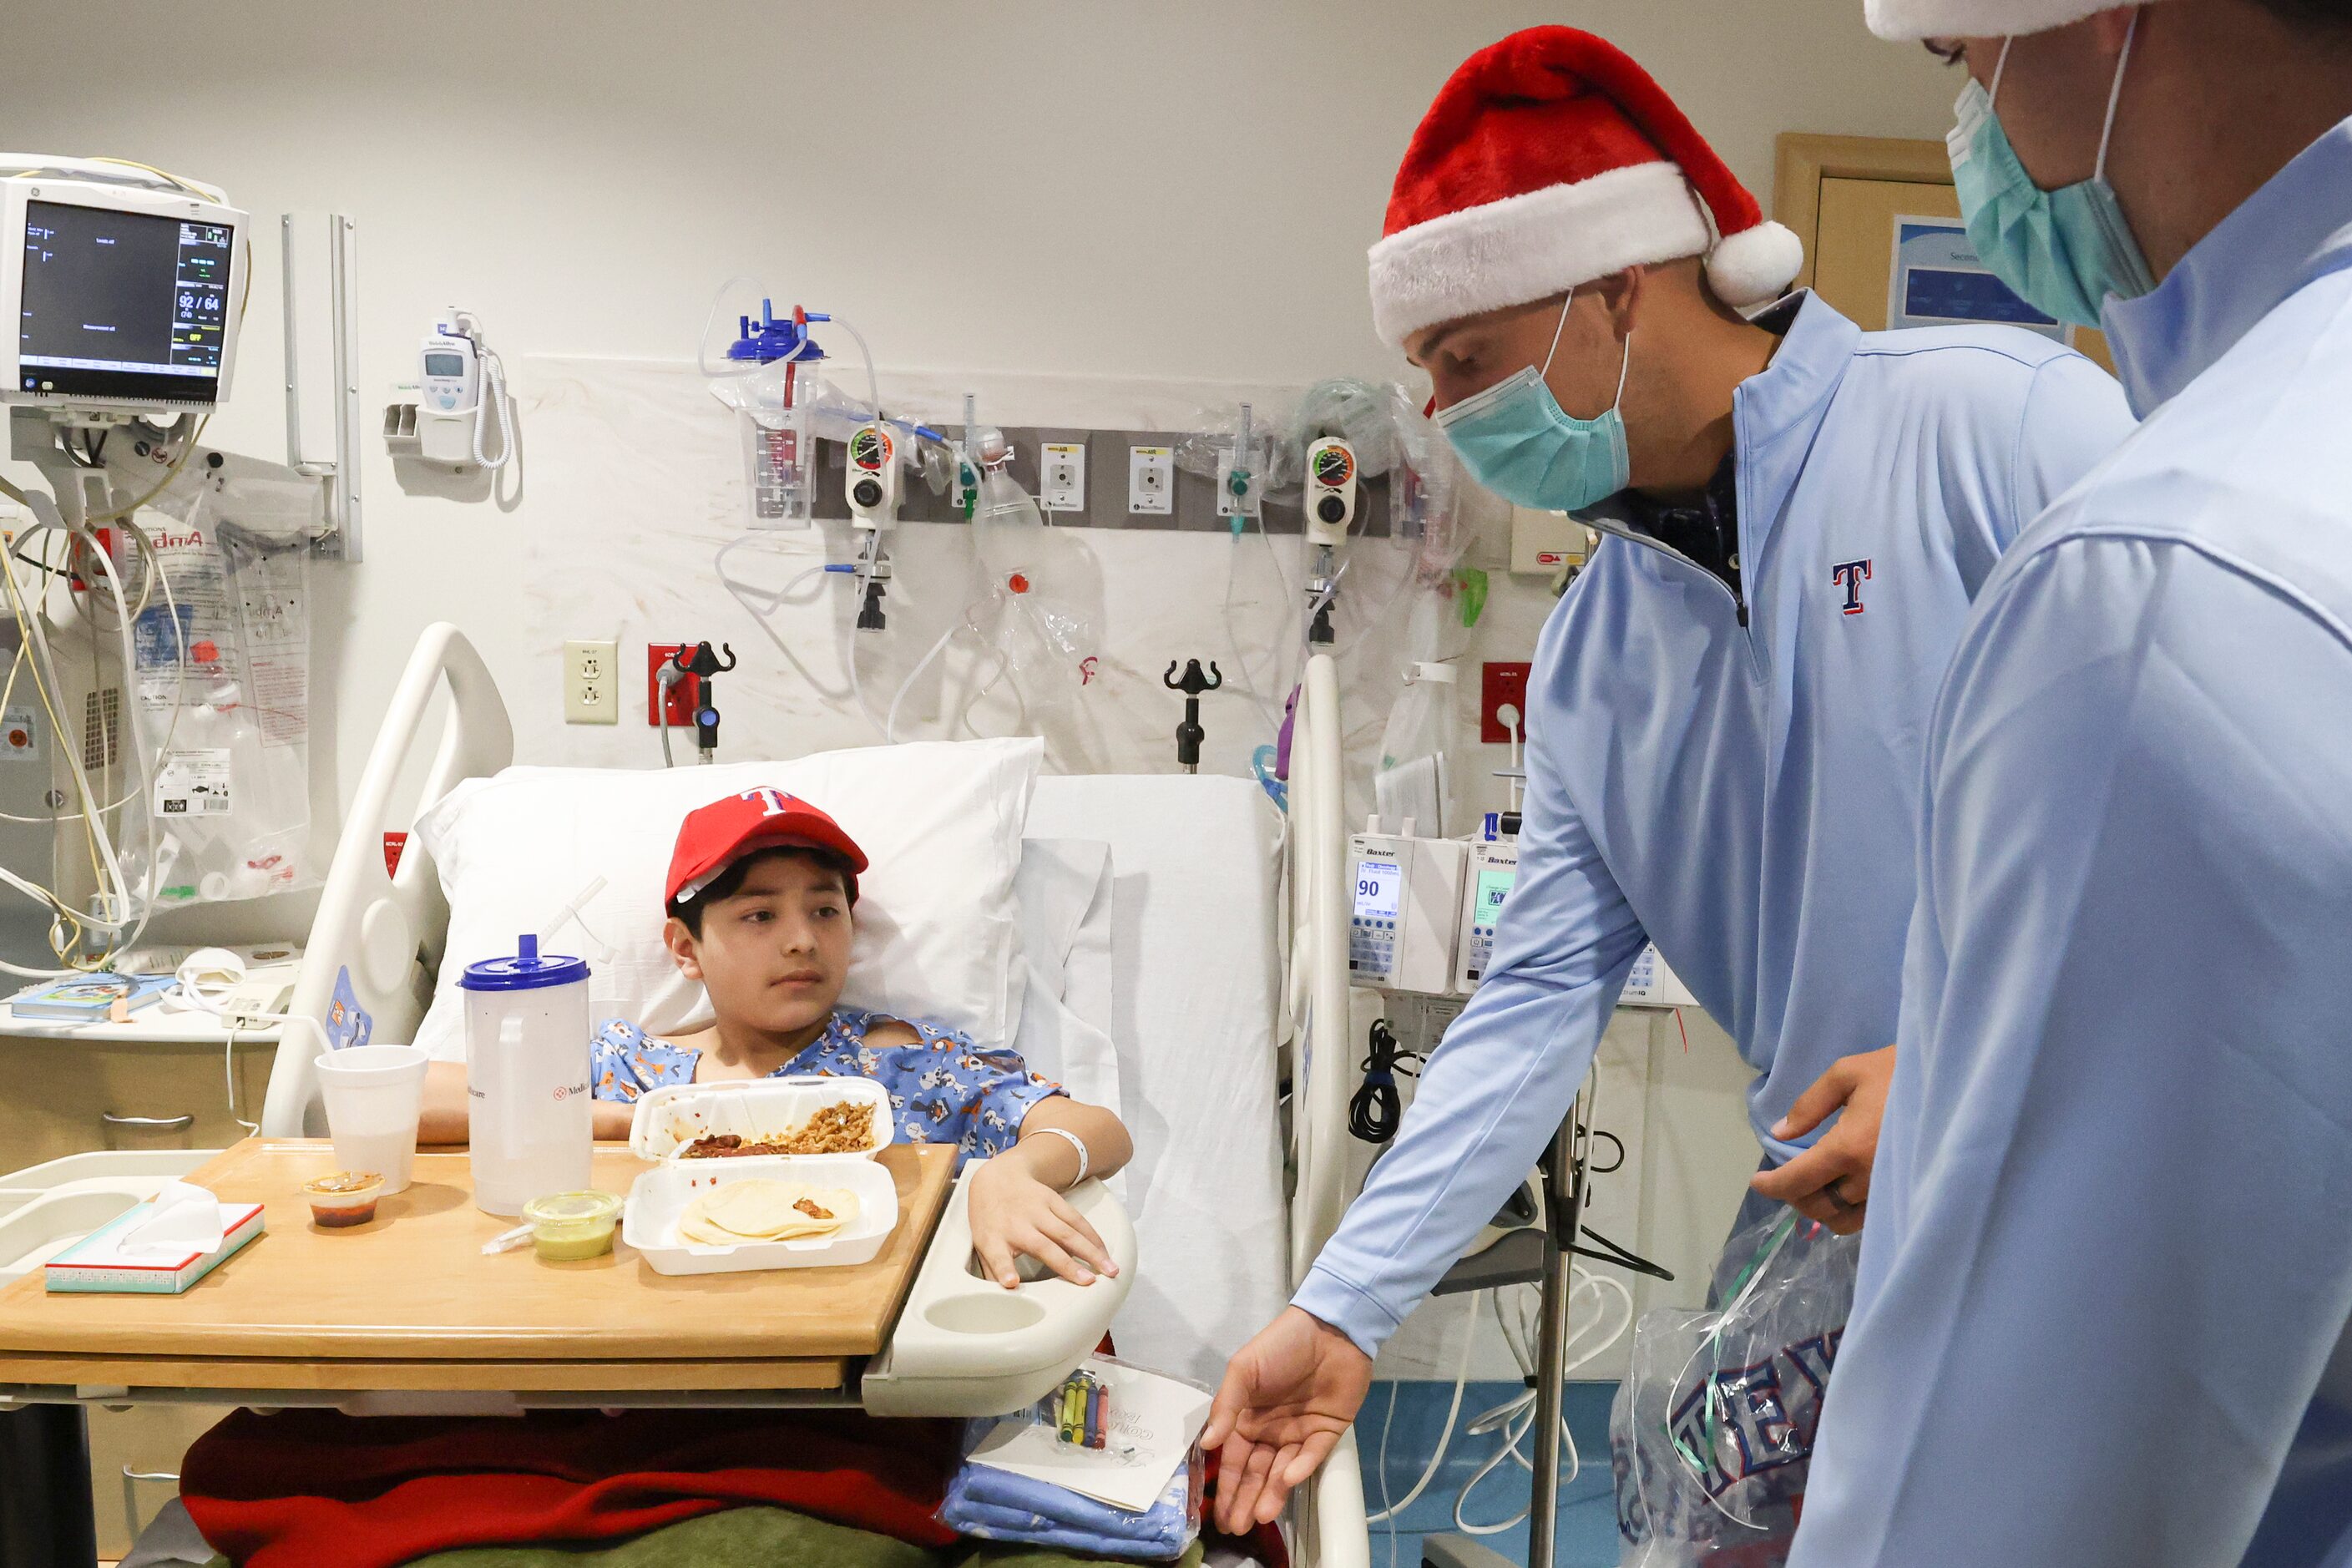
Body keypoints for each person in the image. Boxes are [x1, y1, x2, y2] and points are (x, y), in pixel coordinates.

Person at [1202, 24, 2137, 1530]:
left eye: (1464, 358)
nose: (1442, 414)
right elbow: (1527, 1009)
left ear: (1610, 287)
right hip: (1840, 1245)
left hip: (2104, 1207)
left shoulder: (1994, 430)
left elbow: (2220, 832)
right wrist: (1343, 1306)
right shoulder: (1596, 659)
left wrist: (1979, 1074)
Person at [1786, 1, 2352, 1562]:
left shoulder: (2165, 585)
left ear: (2099, 23)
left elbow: (2005, 1519)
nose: (1968, 132)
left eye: (1959, 64)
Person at [419, 787, 1130, 1289]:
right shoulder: (634, 1069)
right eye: (759, 917)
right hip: (660, 1355)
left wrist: (1014, 1171)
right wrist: (625, 1119)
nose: (801, 941)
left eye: (825, 910)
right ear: (685, 949)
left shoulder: (898, 1061)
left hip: (861, 1364)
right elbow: (418, 1099)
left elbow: (1096, 1129)